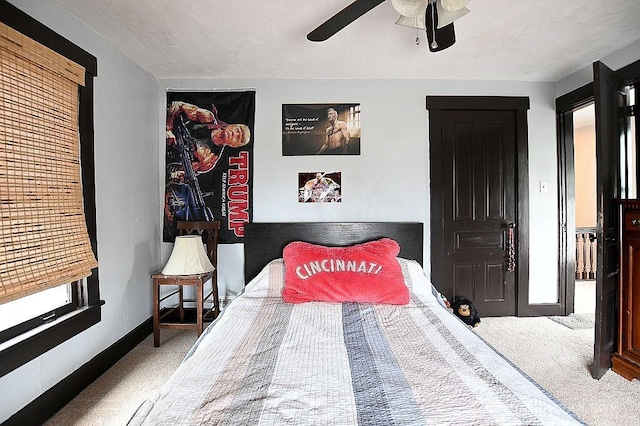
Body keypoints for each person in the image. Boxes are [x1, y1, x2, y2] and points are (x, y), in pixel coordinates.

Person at [166, 101, 251, 173]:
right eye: (236, 130)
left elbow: (181, 173)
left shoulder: (210, 159)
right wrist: (168, 128)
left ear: (233, 145)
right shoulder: (207, 118)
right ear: (231, 125)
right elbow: (178, 105)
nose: (233, 134)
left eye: (237, 138)